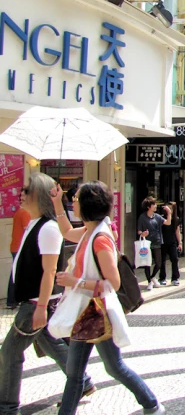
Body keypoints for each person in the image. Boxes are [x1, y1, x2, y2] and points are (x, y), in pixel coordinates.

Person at [54, 181, 164, 415]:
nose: (72, 201)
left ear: (87, 204)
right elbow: (65, 232)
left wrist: (75, 283)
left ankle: (151, 403)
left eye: (75, 199)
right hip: (85, 313)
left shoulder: (99, 238)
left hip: (98, 313)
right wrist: (56, 203)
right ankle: (151, 404)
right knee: (77, 373)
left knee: (114, 367)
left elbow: (112, 283)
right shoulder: (89, 231)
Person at [0, 174, 95, 415]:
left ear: (38, 195)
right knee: (51, 344)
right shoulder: (35, 222)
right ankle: (83, 381)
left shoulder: (48, 228)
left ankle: (7, 406)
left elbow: (49, 270)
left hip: (36, 303)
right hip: (35, 301)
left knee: (9, 352)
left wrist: (41, 307)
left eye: (26, 190)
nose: (21, 194)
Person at [136, 197, 171, 291]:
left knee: (159, 263)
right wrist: (142, 233)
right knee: (147, 263)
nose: (155, 206)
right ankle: (149, 282)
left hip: (157, 241)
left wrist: (169, 213)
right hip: (146, 243)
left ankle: (152, 277)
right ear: (148, 207)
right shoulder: (142, 217)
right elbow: (139, 231)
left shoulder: (157, 216)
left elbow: (168, 222)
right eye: (153, 204)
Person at [6, 197, 30, 309]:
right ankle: (12, 300)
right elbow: (28, 229)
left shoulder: (19, 212)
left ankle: (12, 300)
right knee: (16, 275)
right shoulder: (24, 213)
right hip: (20, 247)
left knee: (16, 274)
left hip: (16, 247)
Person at [159, 201, 181, 286]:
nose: (169, 210)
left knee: (174, 259)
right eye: (167, 208)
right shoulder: (161, 218)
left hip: (172, 242)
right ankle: (162, 278)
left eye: (171, 208)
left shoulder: (176, 219)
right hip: (162, 242)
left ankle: (175, 278)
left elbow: (177, 231)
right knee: (162, 260)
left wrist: (180, 242)